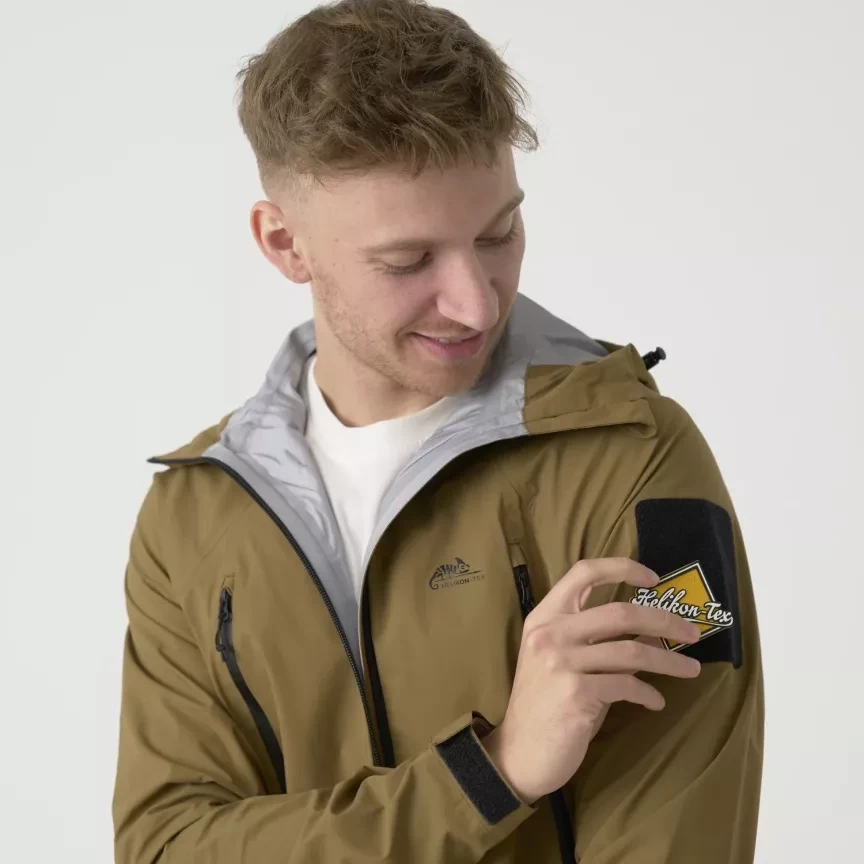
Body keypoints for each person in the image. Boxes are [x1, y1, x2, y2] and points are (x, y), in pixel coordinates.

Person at [111, 1, 764, 861]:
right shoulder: (191, 519)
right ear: (285, 244)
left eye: (499, 234)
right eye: (407, 261)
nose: (476, 303)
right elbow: (164, 848)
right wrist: (493, 773)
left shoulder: (634, 462)